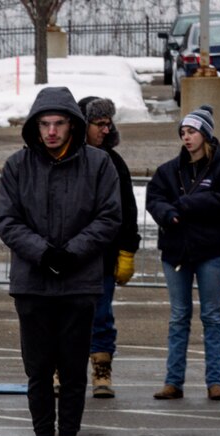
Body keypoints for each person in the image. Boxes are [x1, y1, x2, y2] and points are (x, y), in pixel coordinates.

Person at [0, 86, 122, 436]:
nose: (51, 131)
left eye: (59, 123)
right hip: (32, 285)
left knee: (72, 373)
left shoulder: (99, 164)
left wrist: (72, 252)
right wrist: (43, 252)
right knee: (38, 371)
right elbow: (7, 220)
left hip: (79, 283)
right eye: (45, 124)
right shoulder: (17, 166)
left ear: (73, 125)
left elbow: (109, 216)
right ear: (35, 126)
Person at [146, 105, 220, 402]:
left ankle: (215, 381)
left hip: (211, 252)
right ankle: (173, 381)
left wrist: (187, 205)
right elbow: (155, 199)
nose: (187, 138)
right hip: (176, 252)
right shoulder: (169, 170)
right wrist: (168, 214)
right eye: (183, 132)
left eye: (192, 132)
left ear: (206, 134)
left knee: (212, 315)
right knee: (179, 317)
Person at [79, 96, 140, 400]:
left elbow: (128, 211)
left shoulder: (115, 163)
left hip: (103, 258)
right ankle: (63, 369)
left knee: (101, 317)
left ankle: (102, 371)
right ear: (83, 125)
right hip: (69, 258)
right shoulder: (67, 159)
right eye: (99, 123)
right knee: (66, 318)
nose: (105, 129)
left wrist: (127, 251)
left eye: (108, 123)